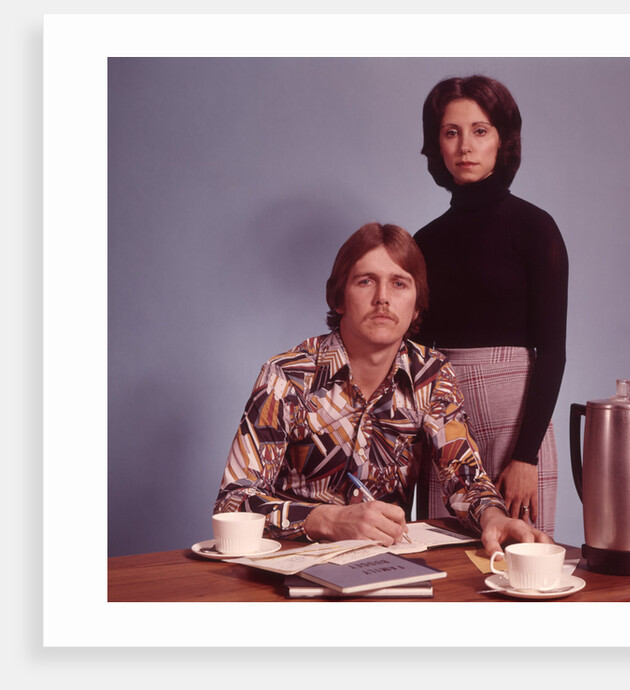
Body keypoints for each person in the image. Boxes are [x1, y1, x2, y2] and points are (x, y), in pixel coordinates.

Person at [214, 221, 552, 556]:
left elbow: (464, 478)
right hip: (288, 565)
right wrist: (328, 520)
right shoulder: (286, 377)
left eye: (400, 284)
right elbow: (234, 501)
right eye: (365, 281)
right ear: (339, 298)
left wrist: (494, 518)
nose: (383, 299)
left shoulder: (431, 377)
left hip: (384, 568)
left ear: (417, 304)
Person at [414, 75, 568, 535]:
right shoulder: (424, 242)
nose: (465, 146)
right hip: (443, 417)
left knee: (521, 569)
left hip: (517, 419)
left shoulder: (536, 228)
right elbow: (415, 361)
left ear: (503, 140)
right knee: (445, 567)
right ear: (437, 144)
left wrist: (526, 456)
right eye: (451, 132)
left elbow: (553, 352)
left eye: (480, 131)